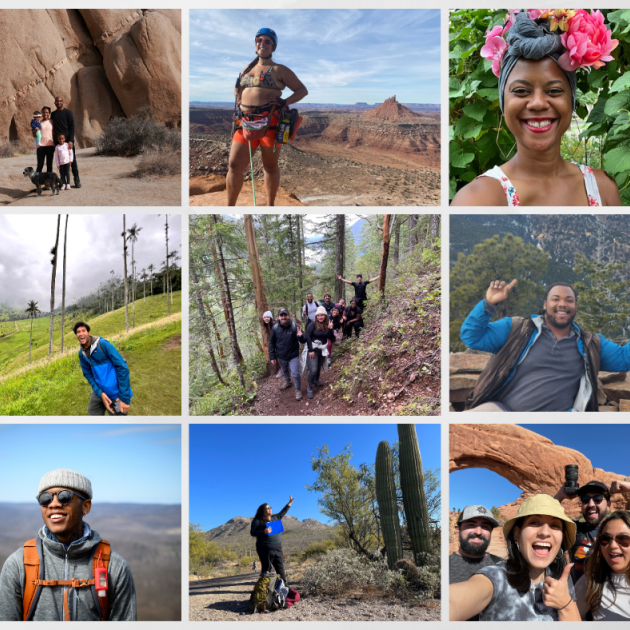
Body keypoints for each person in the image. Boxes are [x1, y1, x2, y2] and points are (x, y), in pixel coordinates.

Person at [451, 10, 620, 207]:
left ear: (571, 100)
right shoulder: (476, 200)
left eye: (554, 90)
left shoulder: (603, 189)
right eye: (521, 91)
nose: (538, 103)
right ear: (503, 101)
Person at [460, 280, 630, 411]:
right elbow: (472, 337)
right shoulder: (517, 328)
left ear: (575, 306)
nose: (562, 304)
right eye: (555, 299)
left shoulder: (591, 343)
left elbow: (624, 359)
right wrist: (488, 304)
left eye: (569, 300)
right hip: (503, 410)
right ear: (545, 304)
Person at [0, 468, 136, 621]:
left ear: (86, 506)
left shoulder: (114, 567)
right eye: (45, 498)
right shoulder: (19, 564)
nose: (54, 504)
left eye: (64, 496)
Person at [450, 494, 580, 621]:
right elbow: (453, 601)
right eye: (534, 523)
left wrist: (566, 605)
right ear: (517, 534)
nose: (545, 532)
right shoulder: (497, 577)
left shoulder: (561, 578)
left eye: (555, 525)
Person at [227, 28, 307, 206]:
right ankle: (230, 205)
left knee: (269, 166)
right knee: (234, 165)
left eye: (267, 41)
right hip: (245, 123)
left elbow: (302, 90)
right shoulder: (247, 68)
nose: (262, 43)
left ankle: (270, 206)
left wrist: (283, 102)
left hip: (270, 123)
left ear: (273, 46)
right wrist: (239, 100)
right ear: (255, 43)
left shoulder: (279, 69)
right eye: (259, 40)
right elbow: (237, 88)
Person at [555, 480, 630, 584]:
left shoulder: (621, 531)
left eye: (597, 499)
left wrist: (628, 487)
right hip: (577, 597)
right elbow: (546, 516)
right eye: (585, 500)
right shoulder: (574, 529)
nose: (590, 504)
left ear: (608, 505)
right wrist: (560, 495)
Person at [450, 505, 504, 620]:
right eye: (471, 525)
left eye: (485, 527)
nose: (478, 532)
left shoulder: (502, 566)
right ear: (457, 528)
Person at [575, 510, 630, 620]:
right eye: (606, 539)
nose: (613, 545)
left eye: (623, 538)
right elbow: (570, 619)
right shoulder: (591, 582)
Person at [74, 321, 132, 416]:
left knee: (119, 417)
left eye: (83, 330)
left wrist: (124, 398)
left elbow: (122, 367)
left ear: (88, 332)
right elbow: (87, 374)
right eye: (78, 332)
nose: (81, 334)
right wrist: (99, 392)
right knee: (93, 414)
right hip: (98, 391)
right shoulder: (81, 353)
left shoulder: (103, 344)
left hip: (115, 393)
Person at [250, 496, 294, 586]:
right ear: (262, 510)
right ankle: (264, 590)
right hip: (265, 549)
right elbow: (252, 532)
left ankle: (284, 587)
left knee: (280, 568)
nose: (270, 509)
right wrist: (264, 532)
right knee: (266, 569)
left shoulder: (275, 518)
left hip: (278, 548)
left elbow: (283, 512)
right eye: (267, 508)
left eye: (270, 507)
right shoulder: (258, 520)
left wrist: (289, 503)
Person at [269, 308, 302, 400]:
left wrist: (301, 336)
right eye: (281, 315)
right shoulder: (275, 328)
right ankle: (288, 381)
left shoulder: (294, 326)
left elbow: (303, 340)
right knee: (285, 370)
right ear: (278, 317)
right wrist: (272, 356)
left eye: (285, 315)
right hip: (281, 355)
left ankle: (298, 389)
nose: (283, 317)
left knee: (295, 373)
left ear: (288, 316)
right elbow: (271, 342)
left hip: (293, 355)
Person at [50, 95, 81, 188]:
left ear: (63, 102)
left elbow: (72, 127)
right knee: (60, 161)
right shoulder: (53, 114)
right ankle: (62, 181)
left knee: (73, 160)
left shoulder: (68, 113)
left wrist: (71, 140)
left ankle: (76, 178)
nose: (59, 103)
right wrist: (54, 142)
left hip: (68, 142)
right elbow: (53, 128)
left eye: (60, 101)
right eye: (57, 101)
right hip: (58, 142)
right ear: (55, 103)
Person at [305, 306, 334, 399]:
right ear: (316, 316)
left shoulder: (327, 324)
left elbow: (331, 338)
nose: (320, 317)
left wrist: (330, 329)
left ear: (325, 315)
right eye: (318, 315)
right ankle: (309, 387)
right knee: (313, 369)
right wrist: (310, 350)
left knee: (318, 367)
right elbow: (308, 336)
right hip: (313, 349)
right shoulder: (312, 324)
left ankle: (316, 380)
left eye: (322, 315)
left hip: (322, 350)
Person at [36, 107, 55, 174]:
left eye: (47, 112)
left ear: (49, 113)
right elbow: (35, 135)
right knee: (40, 165)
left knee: (49, 164)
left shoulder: (52, 122)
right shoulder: (38, 122)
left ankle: (48, 181)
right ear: (42, 113)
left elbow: (54, 133)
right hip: (41, 146)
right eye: (44, 112)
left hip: (50, 146)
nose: (45, 114)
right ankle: (38, 181)